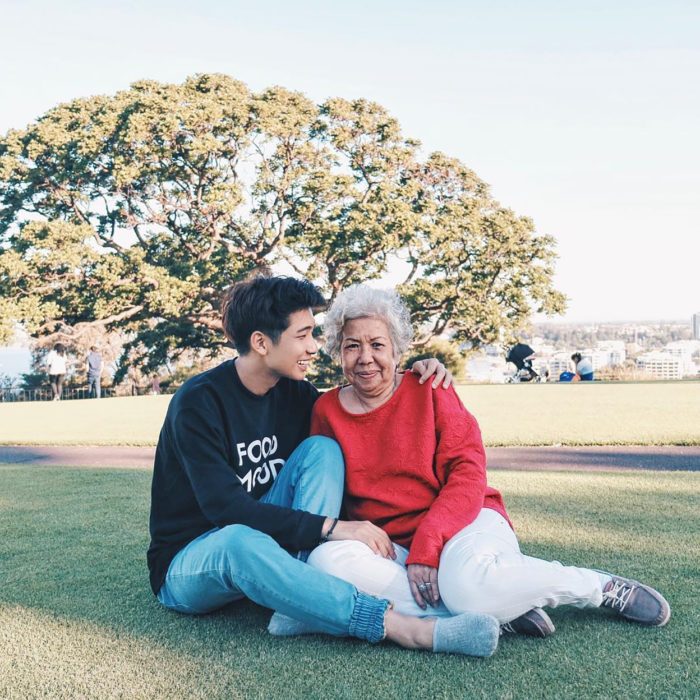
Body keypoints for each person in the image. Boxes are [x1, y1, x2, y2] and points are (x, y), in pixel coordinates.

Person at [147, 275, 501, 658]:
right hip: (192, 559)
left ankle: (299, 601)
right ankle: (407, 629)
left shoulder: (297, 395)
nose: (314, 348)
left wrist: (417, 371)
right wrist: (332, 528)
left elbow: (360, 404)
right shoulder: (198, 402)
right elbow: (226, 510)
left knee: (322, 450)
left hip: (269, 544)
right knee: (238, 540)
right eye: (303, 336)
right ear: (262, 343)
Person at [299, 285, 669, 639]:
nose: (365, 357)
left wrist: (429, 545)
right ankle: (502, 608)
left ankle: (596, 586)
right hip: (391, 546)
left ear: (397, 350)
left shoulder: (429, 387)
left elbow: (468, 473)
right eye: (352, 346)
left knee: (466, 585)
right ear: (338, 352)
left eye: (377, 344)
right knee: (325, 565)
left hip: (464, 522)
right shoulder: (326, 410)